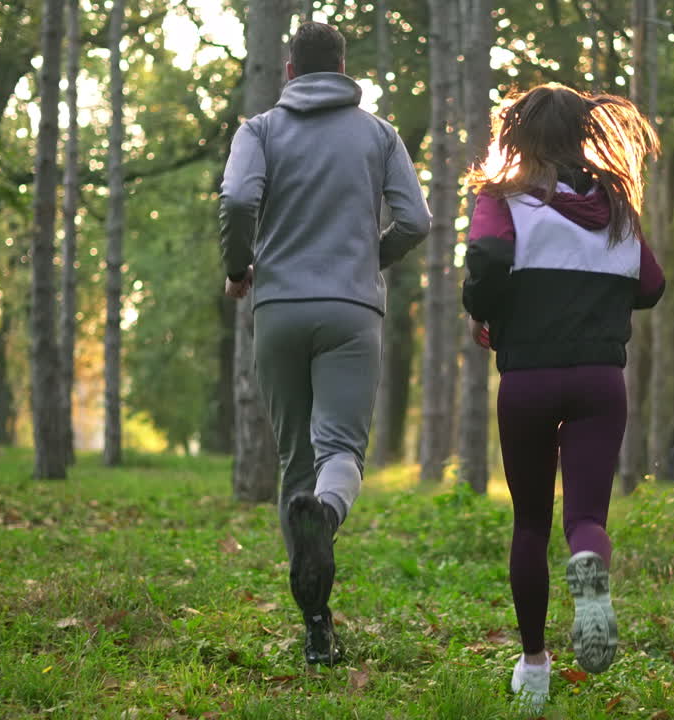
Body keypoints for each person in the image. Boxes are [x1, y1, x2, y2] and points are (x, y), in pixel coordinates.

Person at [218, 21, 431, 666]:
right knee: (340, 452)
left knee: (296, 466)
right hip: (351, 309)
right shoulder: (379, 134)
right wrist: (373, 256)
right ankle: (327, 519)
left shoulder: (258, 130)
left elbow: (235, 199)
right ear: (343, 68)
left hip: (279, 307)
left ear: (288, 70)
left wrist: (238, 268)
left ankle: (316, 628)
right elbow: (417, 219)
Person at [461, 83, 664, 708]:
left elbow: (488, 262)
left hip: (527, 378)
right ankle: (589, 568)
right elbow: (651, 285)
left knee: (529, 522)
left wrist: (484, 312)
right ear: (584, 135)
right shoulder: (617, 208)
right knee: (586, 517)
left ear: (518, 137)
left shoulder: (503, 200)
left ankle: (535, 667)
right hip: (599, 382)